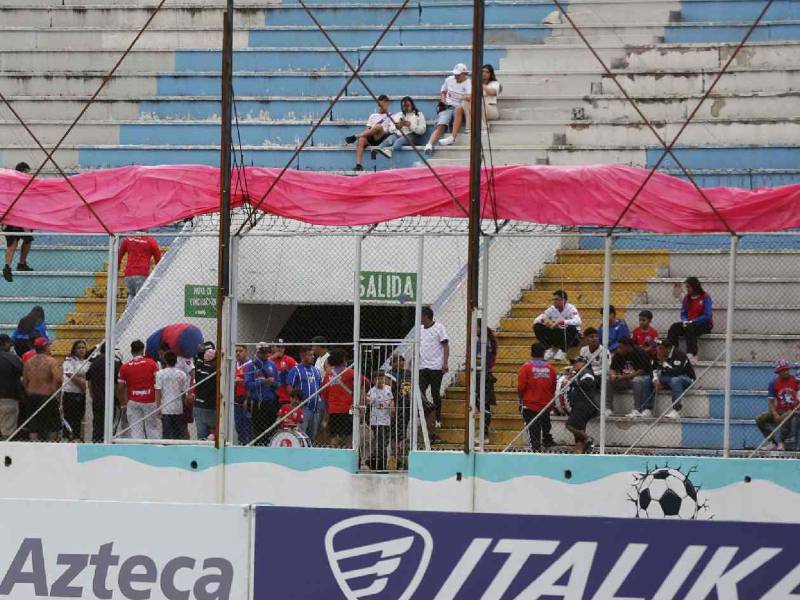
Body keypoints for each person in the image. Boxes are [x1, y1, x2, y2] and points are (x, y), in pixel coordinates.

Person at [517, 343, 557, 451]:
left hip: (530, 404)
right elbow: (553, 387)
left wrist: (521, 400)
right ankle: (546, 438)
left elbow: (521, 387)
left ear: (531, 352)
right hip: (545, 404)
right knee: (545, 424)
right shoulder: (551, 368)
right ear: (544, 353)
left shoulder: (526, 367)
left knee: (533, 430)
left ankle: (535, 449)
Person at [117, 340, 160, 439]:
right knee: (152, 429)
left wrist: (123, 404)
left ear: (131, 352)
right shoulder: (152, 363)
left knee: (136, 430)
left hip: (133, 401)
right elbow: (158, 382)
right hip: (150, 399)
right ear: (143, 350)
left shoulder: (125, 367)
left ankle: (137, 451)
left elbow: (120, 388)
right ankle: (154, 451)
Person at [425, 63, 471, 153]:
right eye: (455, 74)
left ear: (464, 74)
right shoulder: (449, 80)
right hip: (447, 106)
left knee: (458, 109)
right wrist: (443, 99)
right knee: (441, 124)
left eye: (458, 75)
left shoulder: (468, 83)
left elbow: (470, 97)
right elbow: (443, 91)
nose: (456, 76)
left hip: (460, 106)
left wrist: (461, 97)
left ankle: (452, 137)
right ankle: (429, 144)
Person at [22, 337, 62, 441]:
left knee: (33, 426)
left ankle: (34, 447)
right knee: (53, 425)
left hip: (31, 396)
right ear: (45, 347)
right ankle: (51, 447)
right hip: (47, 396)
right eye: (49, 345)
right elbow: (58, 378)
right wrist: (55, 391)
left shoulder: (28, 362)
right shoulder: (51, 361)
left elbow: (25, 382)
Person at [667, 276, 713, 364]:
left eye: (688, 287)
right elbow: (683, 312)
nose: (687, 289)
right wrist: (684, 320)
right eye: (686, 287)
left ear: (695, 286)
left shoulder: (705, 297)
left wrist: (693, 321)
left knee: (690, 327)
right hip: (689, 323)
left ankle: (692, 354)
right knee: (674, 327)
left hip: (704, 324)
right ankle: (673, 352)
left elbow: (707, 315)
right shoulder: (687, 298)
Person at [755, 360, 799, 451]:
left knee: (786, 416)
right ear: (778, 372)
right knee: (759, 419)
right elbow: (770, 402)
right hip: (779, 410)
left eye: (787, 369)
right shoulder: (773, 383)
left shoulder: (796, 381)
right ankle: (772, 443)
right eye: (783, 370)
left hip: (794, 410)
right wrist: (775, 414)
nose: (786, 372)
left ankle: (781, 442)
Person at [3, 162, 34, 282]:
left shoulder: (26, 186)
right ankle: (7, 267)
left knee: (28, 240)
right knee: (13, 243)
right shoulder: (12, 185)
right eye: (26, 173)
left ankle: (21, 263)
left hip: (23, 219)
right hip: (12, 219)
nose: (28, 176)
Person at [419, 306, 449, 431]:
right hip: (423, 366)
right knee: (420, 391)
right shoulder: (419, 329)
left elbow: (446, 346)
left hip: (436, 367)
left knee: (435, 392)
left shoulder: (439, 328)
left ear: (426, 316)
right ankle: (427, 414)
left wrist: (445, 363)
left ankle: (437, 418)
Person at [85, 342, 122, 443]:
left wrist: (93, 396)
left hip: (97, 398)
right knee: (112, 424)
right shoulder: (116, 361)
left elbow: (89, 382)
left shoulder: (94, 362)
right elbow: (118, 383)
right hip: (111, 398)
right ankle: (109, 442)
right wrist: (119, 399)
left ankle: (97, 442)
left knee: (97, 422)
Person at [345, 94, 392, 171]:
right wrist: (370, 131)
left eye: (383, 105)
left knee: (378, 126)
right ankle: (358, 165)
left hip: (382, 136)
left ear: (387, 104)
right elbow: (367, 130)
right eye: (380, 105)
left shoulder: (391, 116)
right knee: (361, 139)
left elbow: (391, 130)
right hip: (372, 136)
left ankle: (355, 136)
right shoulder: (373, 116)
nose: (381, 107)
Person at [609, 337, 653, 418]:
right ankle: (608, 408)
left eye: (621, 347)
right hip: (625, 379)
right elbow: (612, 368)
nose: (618, 349)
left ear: (628, 347)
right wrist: (613, 375)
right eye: (618, 347)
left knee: (637, 380)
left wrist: (624, 377)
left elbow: (641, 371)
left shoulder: (640, 352)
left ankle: (636, 409)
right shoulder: (619, 353)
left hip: (642, 378)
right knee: (608, 380)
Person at [532, 290, 582, 361]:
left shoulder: (571, 308)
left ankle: (563, 350)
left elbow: (578, 321)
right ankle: (550, 348)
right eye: (553, 299)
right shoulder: (552, 309)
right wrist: (545, 320)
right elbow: (536, 320)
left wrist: (561, 322)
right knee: (537, 326)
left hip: (572, 337)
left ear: (564, 300)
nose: (554, 301)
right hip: (557, 335)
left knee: (571, 328)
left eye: (556, 299)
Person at [245, 342, 280, 445]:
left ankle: (270, 446)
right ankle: (258, 447)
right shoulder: (251, 366)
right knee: (258, 429)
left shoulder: (272, 365)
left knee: (272, 428)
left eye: (266, 352)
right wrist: (262, 382)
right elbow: (248, 384)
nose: (265, 355)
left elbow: (278, 384)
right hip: (257, 402)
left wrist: (272, 382)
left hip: (270, 401)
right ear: (257, 352)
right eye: (262, 352)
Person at [321, 348, 357, 448]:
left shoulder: (328, 374)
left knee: (334, 436)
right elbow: (364, 382)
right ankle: (348, 456)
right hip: (347, 409)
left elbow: (324, 395)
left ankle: (333, 457)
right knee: (349, 436)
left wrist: (325, 414)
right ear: (343, 359)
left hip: (333, 410)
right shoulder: (350, 372)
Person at [286, 346, 323, 441]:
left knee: (312, 436)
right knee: (301, 435)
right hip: (302, 407)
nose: (313, 357)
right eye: (310, 355)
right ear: (303, 356)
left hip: (315, 408)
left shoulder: (316, 371)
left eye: (313, 355)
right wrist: (296, 402)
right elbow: (289, 386)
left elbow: (319, 387)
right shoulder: (295, 370)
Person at [652, 338, 696, 419]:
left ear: (668, 348)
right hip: (667, 378)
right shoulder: (657, 354)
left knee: (675, 380)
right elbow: (653, 369)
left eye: (661, 348)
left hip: (685, 378)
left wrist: (664, 363)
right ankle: (646, 409)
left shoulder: (679, 354)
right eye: (657, 347)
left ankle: (676, 410)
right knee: (647, 380)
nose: (658, 350)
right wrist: (655, 380)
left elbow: (677, 373)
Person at [564, 356, 599, 454]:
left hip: (584, 405)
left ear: (584, 363)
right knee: (578, 436)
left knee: (570, 425)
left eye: (576, 362)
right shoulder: (579, 374)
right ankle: (579, 453)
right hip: (580, 405)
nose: (574, 364)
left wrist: (573, 381)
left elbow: (588, 382)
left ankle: (588, 439)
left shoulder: (586, 372)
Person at [155, 351, 189, 440]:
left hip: (165, 407)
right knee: (177, 433)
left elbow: (158, 391)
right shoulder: (181, 374)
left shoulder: (160, 374)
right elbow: (183, 393)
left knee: (166, 433)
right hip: (178, 407)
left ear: (165, 361)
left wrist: (158, 407)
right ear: (176, 360)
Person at [118, 234, 161, 302]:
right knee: (140, 298)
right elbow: (158, 257)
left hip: (129, 274)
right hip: (142, 273)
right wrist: (158, 269)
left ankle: (129, 312)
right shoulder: (151, 241)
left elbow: (119, 255)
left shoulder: (128, 239)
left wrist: (118, 266)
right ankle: (135, 312)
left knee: (132, 295)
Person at [61, 340, 89, 441]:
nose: (81, 350)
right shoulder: (69, 360)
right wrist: (82, 385)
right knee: (69, 417)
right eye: (79, 348)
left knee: (79, 417)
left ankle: (76, 437)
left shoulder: (87, 361)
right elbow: (69, 374)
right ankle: (67, 437)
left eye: (83, 348)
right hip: (70, 393)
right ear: (74, 349)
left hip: (82, 394)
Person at [461, 64, 502, 131]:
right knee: (466, 102)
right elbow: (466, 96)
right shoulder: (473, 84)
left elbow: (492, 92)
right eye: (483, 71)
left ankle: (484, 127)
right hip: (476, 108)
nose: (484, 74)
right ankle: (469, 127)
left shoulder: (495, 83)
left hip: (491, 110)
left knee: (479, 101)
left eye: (487, 72)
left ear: (491, 74)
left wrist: (480, 84)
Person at [367, 372, 394, 470]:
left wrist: (392, 406)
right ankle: (380, 461)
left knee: (386, 440)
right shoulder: (372, 391)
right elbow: (368, 401)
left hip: (386, 419)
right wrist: (371, 400)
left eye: (382, 378)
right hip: (376, 420)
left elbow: (391, 400)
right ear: (374, 380)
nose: (380, 381)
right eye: (378, 379)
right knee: (380, 441)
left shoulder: (388, 389)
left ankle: (374, 457)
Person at [476, 320, 497, 445]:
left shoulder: (481, 342)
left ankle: (484, 434)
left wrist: (469, 362)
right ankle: (484, 433)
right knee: (484, 405)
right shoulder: (490, 341)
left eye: (476, 328)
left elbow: (479, 361)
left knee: (481, 405)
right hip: (487, 374)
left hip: (481, 376)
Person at [0, 334, 23, 440]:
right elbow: (22, 377)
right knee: (7, 433)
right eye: (9, 344)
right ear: (4, 344)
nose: (11, 346)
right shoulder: (14, 359)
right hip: (8, 398)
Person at [193, 348, 217, 440]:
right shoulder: (215, 371)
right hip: (210, 406)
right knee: (214, 434)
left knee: (201, 435)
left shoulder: (199, 368)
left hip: (199, 405)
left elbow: (197, 361)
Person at [233, 344, 252, 445]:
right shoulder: (234, 364)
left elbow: (252, 382)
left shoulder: (251, 365)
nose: (238, 353)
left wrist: (248, 398)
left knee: (247, 424)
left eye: (240, 351)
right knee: (238, 424)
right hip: (236, 397)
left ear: (246, 352)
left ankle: (248, 444)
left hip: (246, 397)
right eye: (236, 351)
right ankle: (241, 442)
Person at [271, 339, 297, 406]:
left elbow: (298, 373)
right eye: (278, 347)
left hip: (286, 397)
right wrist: (272, 357)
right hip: (271, 396)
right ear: (273, 348)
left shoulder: (289, 360)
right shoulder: (269, 360)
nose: (281, 349)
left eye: (282, 347)